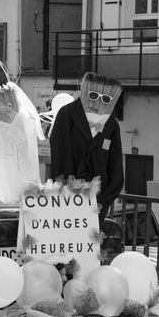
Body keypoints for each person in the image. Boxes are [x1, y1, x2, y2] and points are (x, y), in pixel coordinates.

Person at [49, 72, 124, 224]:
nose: (98, 102)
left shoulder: (111, 124)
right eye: (93, 95)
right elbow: (60, 153)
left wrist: (104, 200)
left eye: (105, 98)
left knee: (89, 243)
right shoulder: (67, 115)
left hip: (97, 201)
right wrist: (67, 189)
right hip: (68, 197)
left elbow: (115, 165)